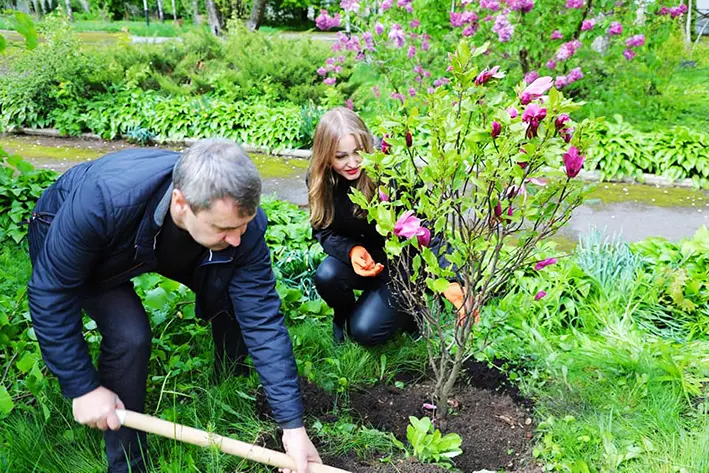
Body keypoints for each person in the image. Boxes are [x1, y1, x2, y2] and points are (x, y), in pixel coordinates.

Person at [27, 139, 321, 473]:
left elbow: (263, 319)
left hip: (153, 235)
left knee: (231, 290)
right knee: (130, 335)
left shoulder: (238, 224)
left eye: (242, 225)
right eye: (225, 228)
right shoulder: (103, 199)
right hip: (75, 235)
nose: (238, 238)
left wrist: (292, 426)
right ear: (181, 203)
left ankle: (231, 377)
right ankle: (127, 465)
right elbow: (50, 292)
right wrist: (83, 386)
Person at [306, 107, 467, 345]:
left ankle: (411, 311)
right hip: (364, 263)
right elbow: (323, 230)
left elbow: (428, 229)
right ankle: (343, 316)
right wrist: (351, 251)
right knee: (327, 276)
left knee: (365, 332)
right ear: (325, 155)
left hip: (402, 267)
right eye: (341, 156)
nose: (352, 163)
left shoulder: (389, 174)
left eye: (358, 153)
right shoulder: (320, 179)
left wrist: (450, 279)